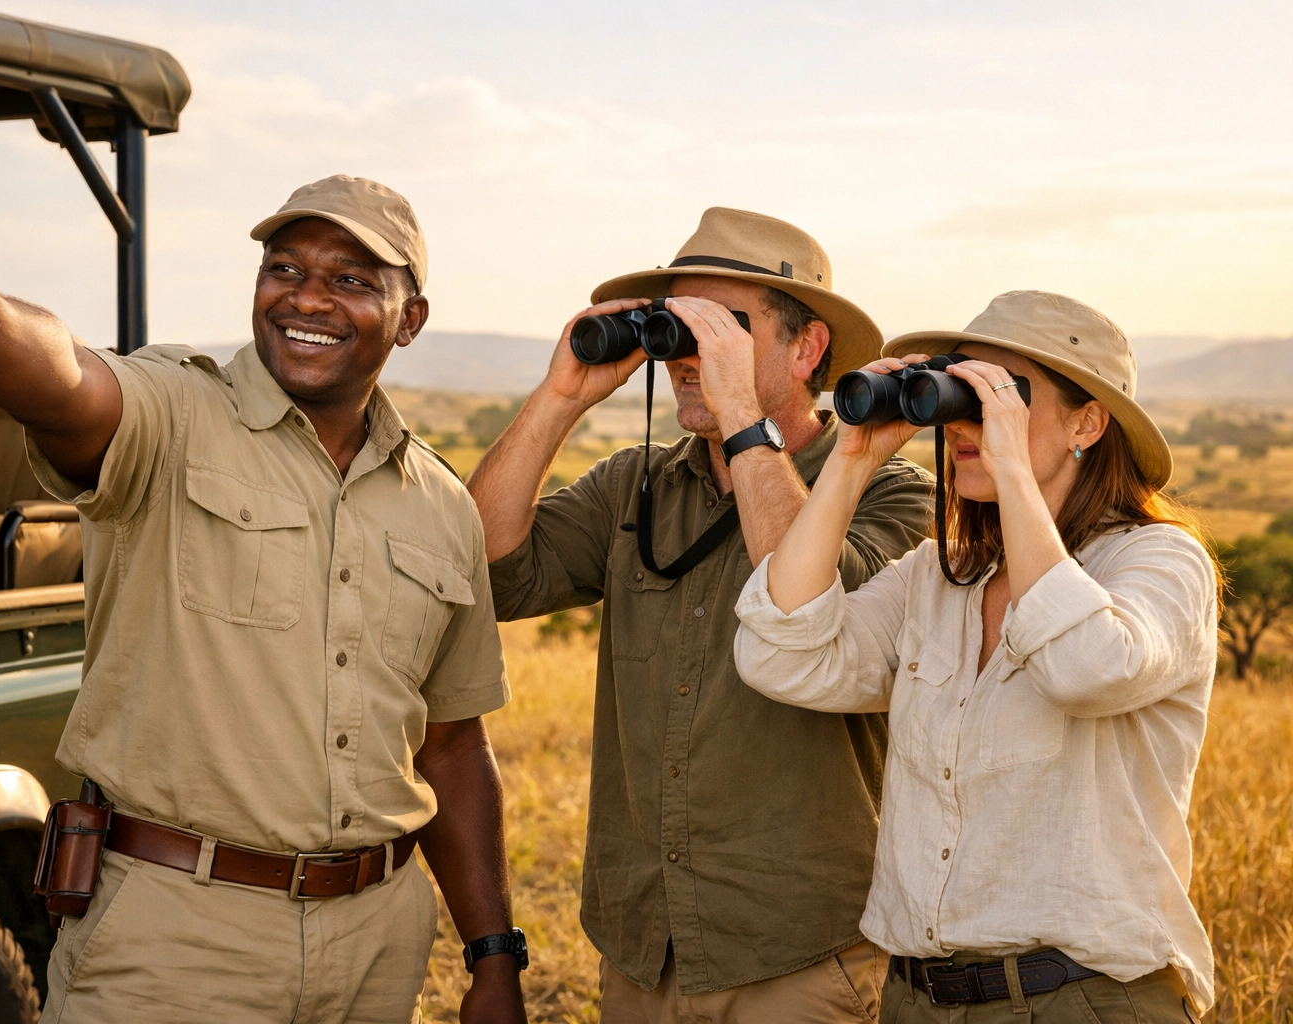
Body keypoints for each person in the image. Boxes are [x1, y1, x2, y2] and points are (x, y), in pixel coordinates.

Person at [0, 175, 528, 1024]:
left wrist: (493, 953)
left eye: (351, 280)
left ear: (409, 319)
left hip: (378, 947)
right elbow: (64, 380)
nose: (307, 298)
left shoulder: (441, 505)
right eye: (284, 269)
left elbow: (452, 747)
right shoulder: (174, 412)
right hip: (175, 940)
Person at [469, 207, 934, 1022]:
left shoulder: (889, 490)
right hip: (643, 943)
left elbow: (807, 604)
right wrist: (559, 397)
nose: (691, 352)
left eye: (724, 327)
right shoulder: (635, 486)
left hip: (798, 948)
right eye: (679, 325)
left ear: (807, 348)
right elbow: (488, 566)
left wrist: (740, 420)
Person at [733, 291, 1220, 1021]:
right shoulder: (939, 576)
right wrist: (850, 462)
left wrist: (1013, 475)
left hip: (1083, 999)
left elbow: (1086, 667)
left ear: (1088, 423)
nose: (967, 422)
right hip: (919, 1001)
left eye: (1002, 397)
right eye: (960, 392)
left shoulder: (1157, 563)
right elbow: (783, 655)